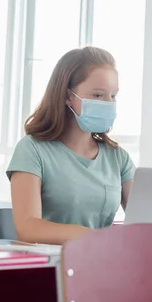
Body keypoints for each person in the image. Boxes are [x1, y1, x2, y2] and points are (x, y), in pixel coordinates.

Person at [7, 47, 135, 245]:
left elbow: (146, 222)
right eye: (98, 95)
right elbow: (28, 228)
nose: (109, 104)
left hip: (102, 265)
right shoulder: (32, 150)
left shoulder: (118, 157)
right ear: (68, 96)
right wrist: (93, 237)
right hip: (50, 268)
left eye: (113, 96)